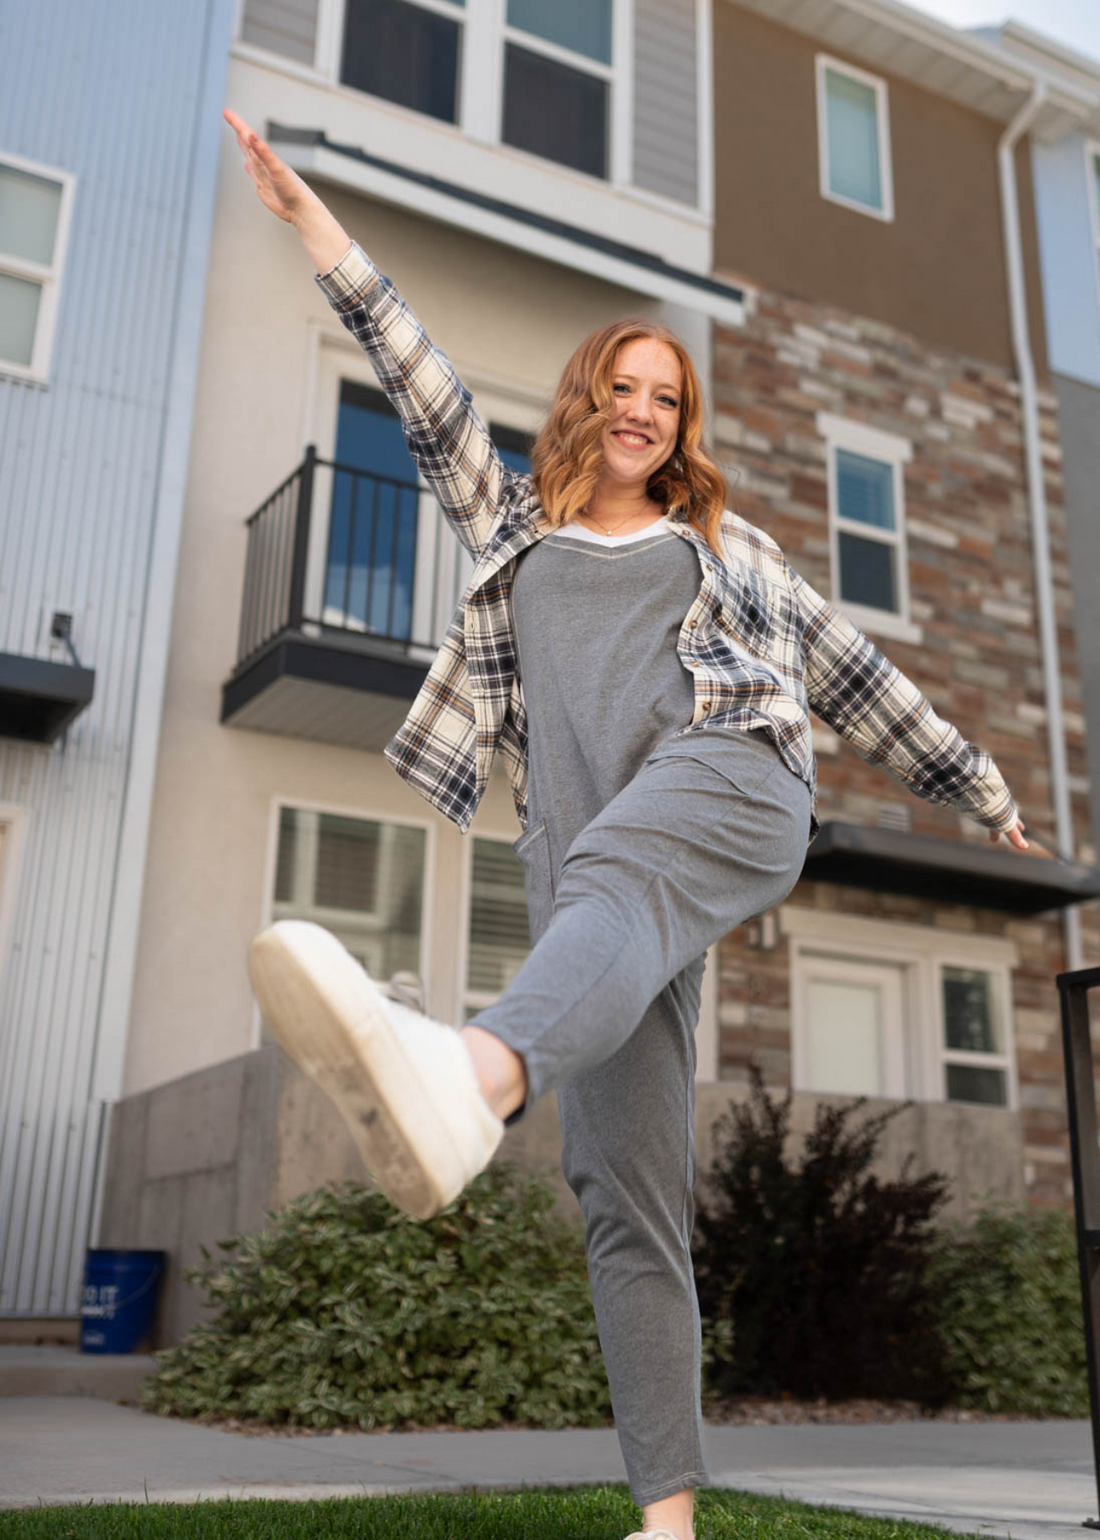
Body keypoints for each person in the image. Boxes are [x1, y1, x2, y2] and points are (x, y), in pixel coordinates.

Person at [224, 108, 1028, 1540]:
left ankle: (467, 1068)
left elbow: (852, 672)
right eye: (626, 386)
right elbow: (416, 378)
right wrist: (310, 221)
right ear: (587, 400)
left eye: (670, 395)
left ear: (680, 425)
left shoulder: (727, 549)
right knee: (624, 1194)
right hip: (593, 889)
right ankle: (668, 1523)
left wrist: (978, 784)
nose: (649, 409)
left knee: (603, 902)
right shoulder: (510, 531)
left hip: (736, 785)